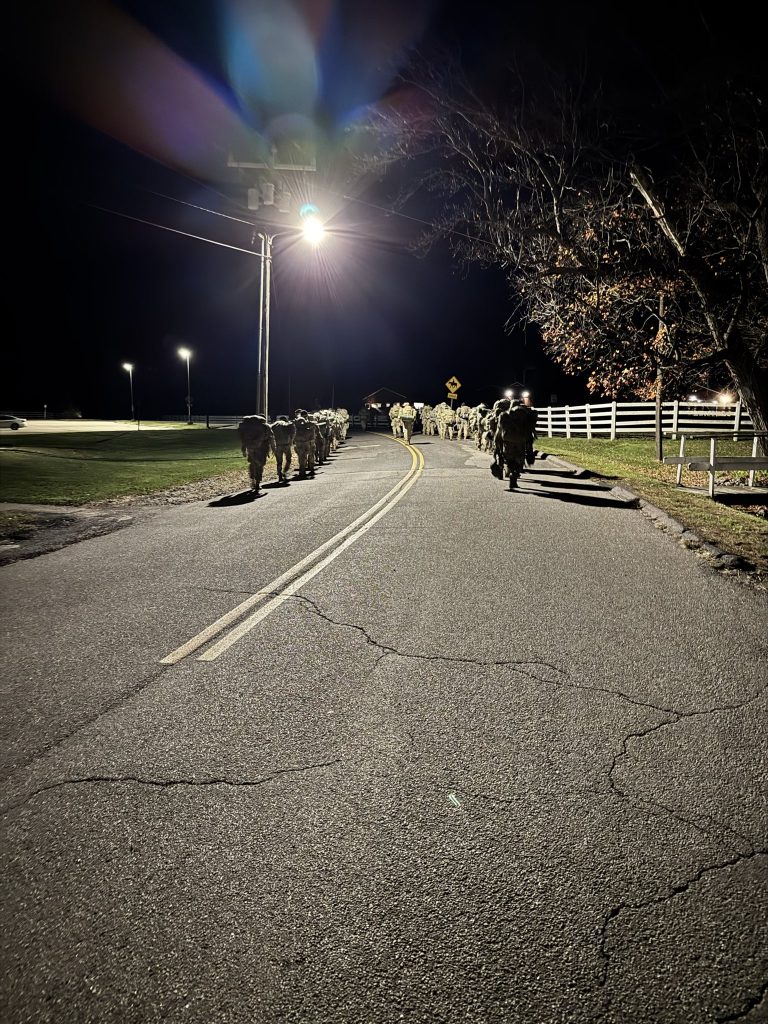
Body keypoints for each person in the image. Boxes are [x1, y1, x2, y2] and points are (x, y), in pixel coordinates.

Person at [494, 399, 530, 489]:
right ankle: (514, 475)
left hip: (508, 440)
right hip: (521, 441)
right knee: (519, 459)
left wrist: (497, 442)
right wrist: (529, 444)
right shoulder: (524, 415)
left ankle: (510, 471)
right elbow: (529, 429)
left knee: (509, 459)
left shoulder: (504, 415)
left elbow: (499, 430)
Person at [237, 414, 276, 493]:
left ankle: (252, 480)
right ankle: (258, 483)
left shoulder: (247, 427)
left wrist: (243, 449)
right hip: (262, 449)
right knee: (260, 465)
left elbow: (242, 439)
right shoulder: (265, 426)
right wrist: (274, 449)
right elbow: (271, 438)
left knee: (252, 463)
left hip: (250, 448)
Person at [270, 415, 295, 483]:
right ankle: (285, 471)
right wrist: (291, 441)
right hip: (286, 445)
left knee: (279, 461)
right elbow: (292, 433)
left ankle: (280, 475)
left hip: (278, 445)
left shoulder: (274, 425)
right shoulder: (287, 424)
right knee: (288, 459)